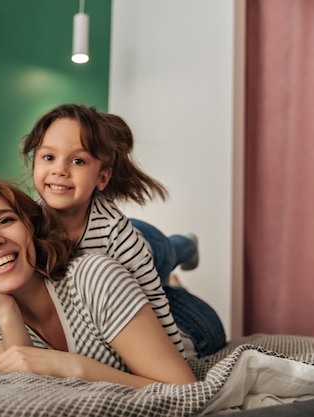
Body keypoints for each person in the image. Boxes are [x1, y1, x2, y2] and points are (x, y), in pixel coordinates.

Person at [0, 174, 197, 388]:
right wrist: (5, 311)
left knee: (160, 249)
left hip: (189, 323)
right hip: (122, 307)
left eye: (5, 220)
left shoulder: (97, 276)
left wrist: (72, 367)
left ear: (30, 227)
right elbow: (25, 388)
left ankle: (185, 248)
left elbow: (182, 388)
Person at [20, 103, 225, 358]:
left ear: (102, 178)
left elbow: (155, 301)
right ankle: (175, 279)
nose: (59, 170)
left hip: (147, 246)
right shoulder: (26, 222)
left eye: (78, 161)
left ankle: (187, 244)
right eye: (49, 157)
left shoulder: (117, 234)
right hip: (120, 257)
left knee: (169, 253)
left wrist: (174, 361)